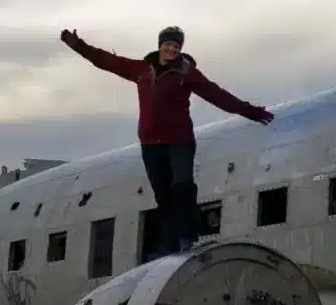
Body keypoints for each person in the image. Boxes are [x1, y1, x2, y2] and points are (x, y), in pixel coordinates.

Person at [60, 25, 274, 256]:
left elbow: (217, 94)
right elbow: (106, 61)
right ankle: (170, 246)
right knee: (163, 196)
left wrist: (249, 111)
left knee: (182, 186)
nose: (172, 49)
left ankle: (187, 238)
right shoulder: (140, 70)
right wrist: (78, 46)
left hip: (179, 139)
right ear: (160, 45)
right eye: (169, 45)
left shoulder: (186, 73)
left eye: (177, 46)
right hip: (151, 143)